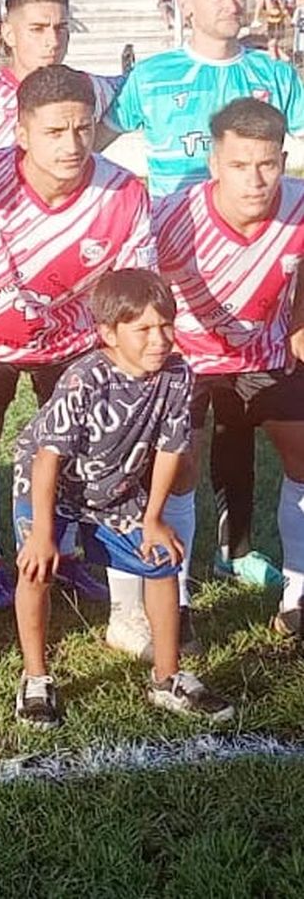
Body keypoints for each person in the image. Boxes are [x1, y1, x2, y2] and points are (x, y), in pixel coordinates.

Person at [0, 65, 155, 680]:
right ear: (21, 131)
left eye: (82, 128)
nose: (72, 144)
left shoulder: (123, 192)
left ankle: (128, 612)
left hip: (74, 346)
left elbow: (134, 294)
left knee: (110, 466)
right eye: (54, 131)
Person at [105, 0, 304, 595]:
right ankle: (152, 550)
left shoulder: (273, 75)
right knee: (177, 429)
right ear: (185, 2)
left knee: (244, 416)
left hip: (260, 254)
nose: (232, 6)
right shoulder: (153, 76)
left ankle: (234, 544)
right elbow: (101, 141)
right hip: (177, 264)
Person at [11, 268, 234, 728]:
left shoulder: (177, 376)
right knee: (37, 567)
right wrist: (43, 531)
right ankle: (35, 679)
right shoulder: (85, 380)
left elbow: (172, 448)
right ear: (108, 334)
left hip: (116, 491)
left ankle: (167, 677)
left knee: (161, 560)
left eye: (166, 326)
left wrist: (153, 517)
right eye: (144, 329)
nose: (159, 339)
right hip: (53, 490)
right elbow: (47, 459)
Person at [153, 98, 304, 652]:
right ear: (215, 163)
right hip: (186, 359)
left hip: (264, 357)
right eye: (240, 165)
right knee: (180, 466)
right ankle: (179, 600)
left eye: (268, 164)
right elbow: (140, 288)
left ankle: (297, 597)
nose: (256, 179)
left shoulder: (301, 207)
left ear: (284, 159)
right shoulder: (173, 215)